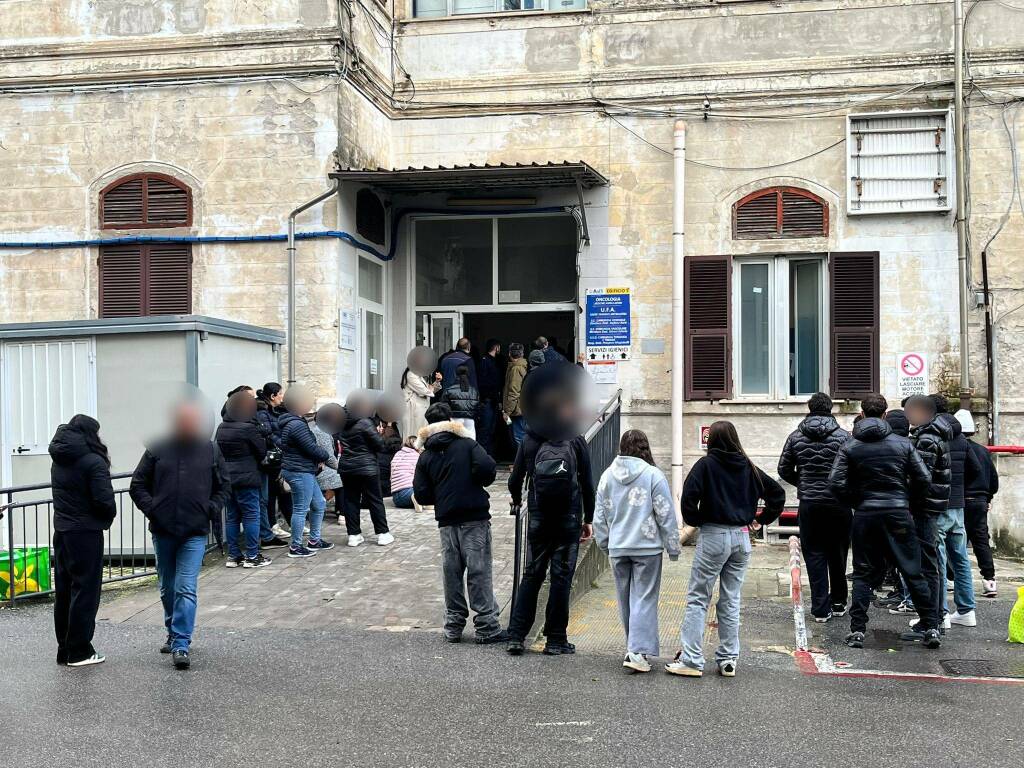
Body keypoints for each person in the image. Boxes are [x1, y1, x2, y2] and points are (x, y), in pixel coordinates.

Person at [666, 421, 785, 678]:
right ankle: (728, 658)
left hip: (714, 535)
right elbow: (777, 494)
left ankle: (692, 660)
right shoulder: (748, 466)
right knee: (731, 599)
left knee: (699, 598)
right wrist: (761, 519)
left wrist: (697, 520)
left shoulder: (705, 465)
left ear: (712, 441)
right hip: (742, 537)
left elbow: (688, 499)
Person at [830, 394, 941, 650]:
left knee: (862, 573)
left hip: (866, 514)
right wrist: (906, 499)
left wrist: (857, 501)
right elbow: (924, 478)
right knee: (913, 570)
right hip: (898, 512)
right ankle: (931, 626)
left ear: (861, 413)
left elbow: (835, 482)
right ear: (885, 414)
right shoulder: (903, 444)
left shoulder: (850, 446)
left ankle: (857, 629)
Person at [130, 400, 230, 669]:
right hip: (163, 530)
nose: (189, 425)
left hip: (194, 531)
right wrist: (153, 509)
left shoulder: (210, 450)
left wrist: (210, 508)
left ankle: (181, 642)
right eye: (184, 420)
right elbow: (137, 485)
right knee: (168, 587)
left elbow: (224, 487)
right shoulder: (157, 448)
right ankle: (173, 631)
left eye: (193, 420)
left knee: (185, 587)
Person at [413, 403, 506, 645]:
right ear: (450, 420)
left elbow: (421, 494)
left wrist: (442, 495)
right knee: (479, 571)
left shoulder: (426, 456)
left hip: (446, 520)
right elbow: (487, 468)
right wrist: (473, 481)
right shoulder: (467, 444)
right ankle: (486, 626)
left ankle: (453, 626)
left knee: (451, 573)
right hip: (474, 515)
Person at [593, 430, 681, 673]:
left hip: (618, 546)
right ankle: (636, 651)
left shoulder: (606, 476)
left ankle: (633, 647)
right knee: (644, 597)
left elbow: (599, 516)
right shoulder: (653, 475)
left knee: (624, 599)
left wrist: (604, 543)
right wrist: (673, 547)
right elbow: (665, 514)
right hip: (647, 547)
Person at [506, 422, 595, 657]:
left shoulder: (530, 438)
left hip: (539, 516)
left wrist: (517, 499)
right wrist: (588, 518)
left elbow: (515, 480)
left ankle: (516, 636)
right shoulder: (575, 438)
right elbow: (587, 483)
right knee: (561, 578)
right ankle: (556, 640)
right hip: (568, 516)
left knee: (532, 574)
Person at [49, 415, 117, 667]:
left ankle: (64, 649)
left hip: (62, 530)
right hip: (86, 532)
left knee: (65, 591)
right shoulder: (93, 462)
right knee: (86, 591)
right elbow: (104, 501)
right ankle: (80, 651)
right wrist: (106, 518)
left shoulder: (59, 458)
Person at [777, 392, 852, 623]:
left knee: (814, 554)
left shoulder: (795, 437)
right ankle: (839, 601)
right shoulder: (844, 437)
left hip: (809, 503)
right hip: (838, 503)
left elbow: (783, 468)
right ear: (831, 409)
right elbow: (853, 467)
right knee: (838, 553)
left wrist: (803, 483)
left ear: (809, 409)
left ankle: (820, 608)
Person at [902, 394, 952, 631]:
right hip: (930, 504)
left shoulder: (927, 438)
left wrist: (908, 497)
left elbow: (921, 476)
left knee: (927, 563)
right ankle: (934, 616)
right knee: (930, 560)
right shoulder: (933, 434)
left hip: (924, 506)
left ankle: (931, 618)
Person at [930, 396, 979, 628]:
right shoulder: (961, 438)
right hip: (958, 505)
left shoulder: (931, 435)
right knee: (960, 559)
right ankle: (967, 610)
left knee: (937, 560)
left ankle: (941, 613)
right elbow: (975, 469)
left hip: (938, 505)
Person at [216, 391, 271, 568]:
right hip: (247, 477)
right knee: (251, 515)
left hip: (227, 477)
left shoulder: (221, 427)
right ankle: (252, 555)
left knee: (232, 517)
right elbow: (261, 451)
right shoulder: (248, 428)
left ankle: (233, 555)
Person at [279, 387, 333, 558]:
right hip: (299, 471)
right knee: (301, 509)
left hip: (303, 470)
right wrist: (325, 456)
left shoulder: (296, 421)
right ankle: (295, 546)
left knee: (319, 503)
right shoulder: (296, 425)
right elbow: (310, 447)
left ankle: (314, 540)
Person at [338, 393, 392, 547]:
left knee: (350, 500)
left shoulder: (340, 422)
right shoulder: (365, 422)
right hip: (367, 468)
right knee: (375, 500)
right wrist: (380, 433)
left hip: (347, 467)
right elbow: (380, 445)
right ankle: (382, 534)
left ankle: (353, 535)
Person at [957, 410, 1000, 597]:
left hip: (960, 500)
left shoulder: (955, 449)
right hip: (980, 501)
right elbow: (993, 480)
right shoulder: (983, 451)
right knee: (981, 540)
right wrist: (987, 498)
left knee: (955, 540)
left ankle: (951, 577)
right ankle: (989, 580)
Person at [256, 383, 292, 542]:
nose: (282, 397)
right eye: (280, 394)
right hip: (270, 459)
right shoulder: (262, 412)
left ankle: (282, 523)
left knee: (280, 492)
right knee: (269, 495)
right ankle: (271, 526)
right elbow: (268, 433)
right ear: (272, 396)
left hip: (275, 458)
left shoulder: (274, 410)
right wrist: (282, 445)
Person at [311, 402, 344, 517]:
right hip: (319, 469)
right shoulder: (322, 432)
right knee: (342, 477)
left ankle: (340, 511)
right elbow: (328, 457)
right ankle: (342, 513)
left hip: (318, 467)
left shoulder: (318, 429)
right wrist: (340, 468)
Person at [401, 366, 441, 444]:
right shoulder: (411, 374)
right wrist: (430, 389)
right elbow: (424, 391)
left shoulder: (419, 376)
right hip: (413, 410)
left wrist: (436, 382)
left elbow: (429, 390)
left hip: (419, 409)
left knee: (419, 435)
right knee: (412, 436)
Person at [476, 339, 502, 456]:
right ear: (496, 347)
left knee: (490, 430)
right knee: (485, 430)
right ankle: (483, 456)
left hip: (492, 401)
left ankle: (488, 456)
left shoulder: (491, 361)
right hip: (487, 401)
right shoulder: (486, 362)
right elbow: (484, 383)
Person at [441, 364, 480, 440]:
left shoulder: (449, 390)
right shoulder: (474, 390)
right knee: (471, 441)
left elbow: (443, 406)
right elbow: (478, 406)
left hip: (455, 419)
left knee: (455, 441)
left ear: (455, 374)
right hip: (470, 419)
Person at [502, 342, 528, 447]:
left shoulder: (515, 369)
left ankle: (522, 458)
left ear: (509, 354)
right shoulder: (522, 366)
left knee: (518, 437)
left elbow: (514, 392)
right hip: (520, 408)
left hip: (517, 410)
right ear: (522, 354)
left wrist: (507, 412)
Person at [390, 436, 420, 510]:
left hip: (396, 499)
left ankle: (417, 500)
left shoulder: (397, 454)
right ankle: (417, 498)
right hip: (409, 493)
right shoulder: (416, 456)